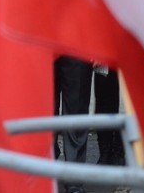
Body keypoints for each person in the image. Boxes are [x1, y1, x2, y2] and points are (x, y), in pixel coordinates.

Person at [54, 56, 93, 193]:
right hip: (42, 42)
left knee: (76, 108)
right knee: (43, 106)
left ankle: (74, 174)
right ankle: (46, 157)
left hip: (76, 42)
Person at [93, 66, 125, 166]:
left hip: (127, 58)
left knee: (123, 106)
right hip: (104, 61)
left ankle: (118, 152)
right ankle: (105, 153)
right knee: (102, 103)